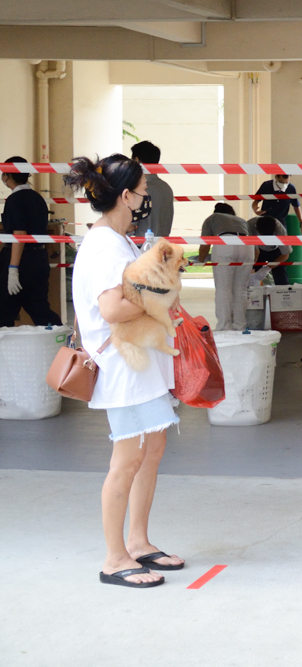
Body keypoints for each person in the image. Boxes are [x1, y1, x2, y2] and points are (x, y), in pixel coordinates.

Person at [64, 154, 185, 588]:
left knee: (152, 451)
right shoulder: (104, 246)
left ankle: (138, 541)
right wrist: (161, 291)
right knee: (128, 459)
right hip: (123, 367)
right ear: (126, 196)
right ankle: (114, 559)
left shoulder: (120, 240)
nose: (148, 196)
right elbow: (113, 309)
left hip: (141, 365)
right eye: (144, 189)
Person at [1, 157, 62, 328]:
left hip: (20, 261)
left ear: (7, 176)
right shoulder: (38, 198)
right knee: (39, 308)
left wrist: (12, 269)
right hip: (38, 260)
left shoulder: (14, 200)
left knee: (4, 311)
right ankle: (60, 337)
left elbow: (20, 234)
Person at [197, 203, 254, 331]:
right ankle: (240, 326)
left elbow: (205, 244)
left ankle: (224, 327)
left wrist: (200, 260)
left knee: (223, 289)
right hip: (248, 246)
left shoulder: (212, 218)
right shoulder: (241, 220)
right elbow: (257, 251)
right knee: (241, 289)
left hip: (225, 243)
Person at [130, 141, 174, 237]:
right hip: (164, 243)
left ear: (136, 160)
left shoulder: (140, 190)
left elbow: (130, 226)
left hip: (144, 244)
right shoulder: (166, 188)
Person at [249, 216, 291, 285]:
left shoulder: (280, 230)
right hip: (258, 249)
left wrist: (267, 268)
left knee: (281, 276)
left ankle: (283, 290)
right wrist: (253, 266)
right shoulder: (250, 226)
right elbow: (255, 252)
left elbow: (285, 255)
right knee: (252, 275)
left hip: (275, 250)